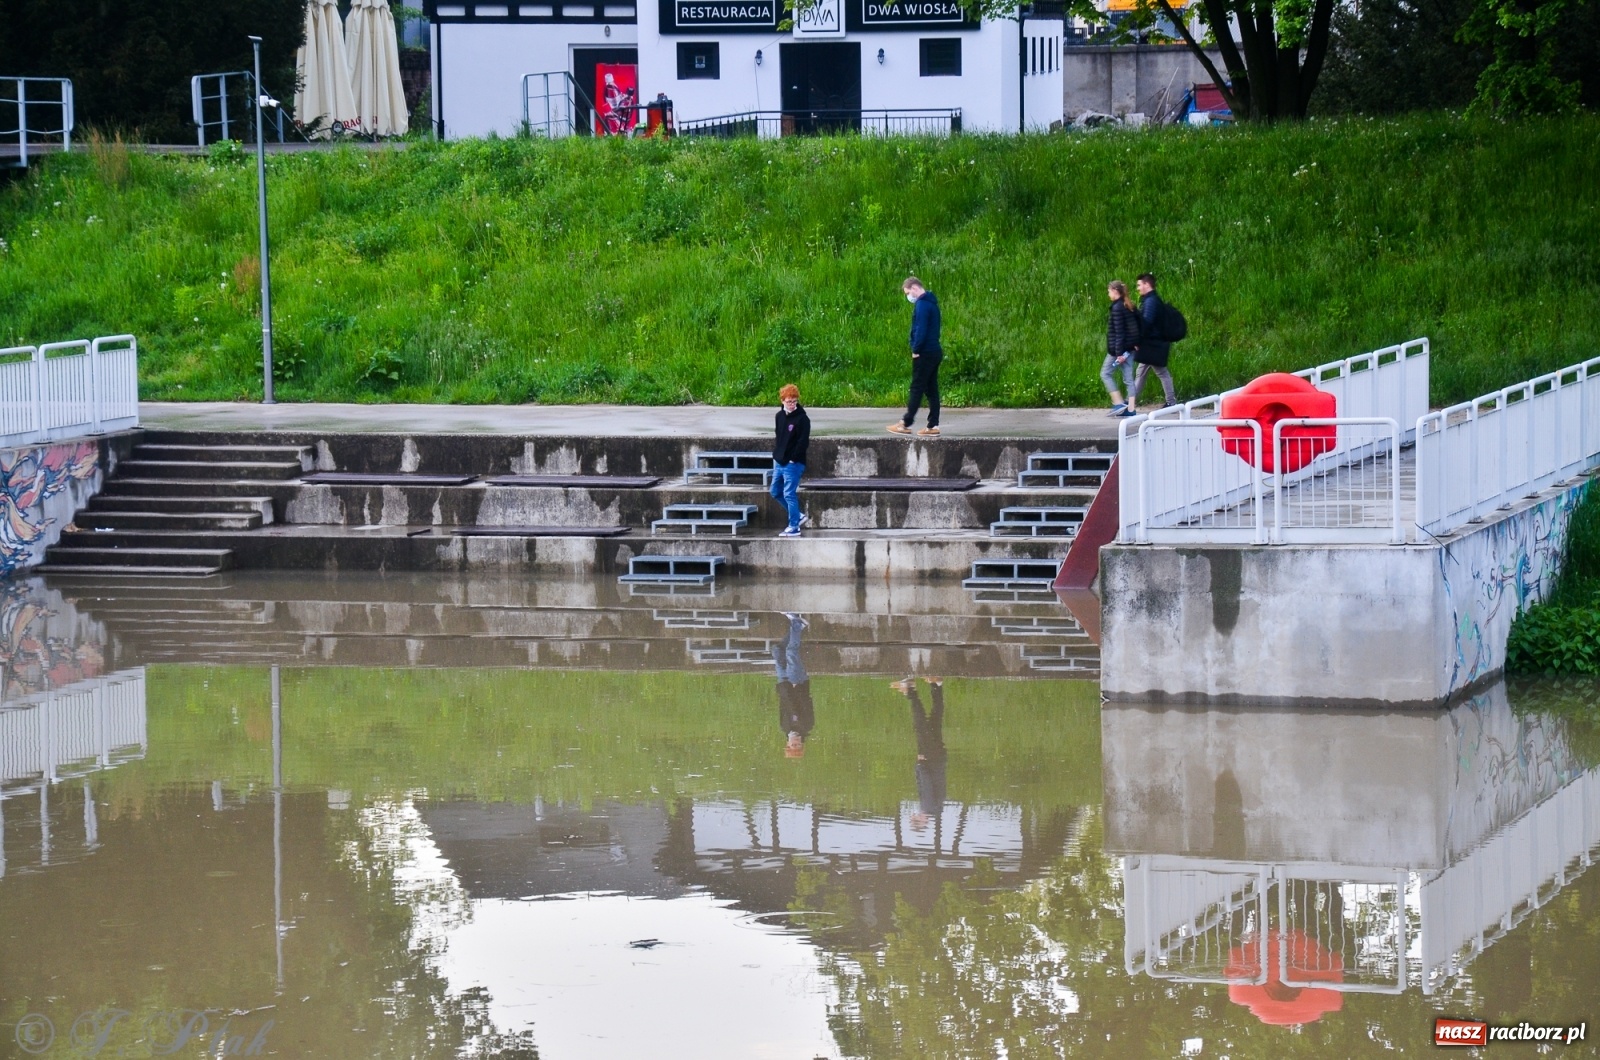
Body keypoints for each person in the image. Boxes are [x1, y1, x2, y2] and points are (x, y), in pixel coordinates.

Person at [890, 675, 946, 834]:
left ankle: (937, 685)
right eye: (916, 819)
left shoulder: (937, 807)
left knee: (935, 721)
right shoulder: (927, 806)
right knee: (920, 725)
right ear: (922, 820)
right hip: (930, 758)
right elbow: (926, 784)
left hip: (939, 758)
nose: (915, 815)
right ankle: (910, 690)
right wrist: (920, 765)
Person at [888, 276, 943, 437]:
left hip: (924, 352)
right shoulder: (933, 304)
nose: (908, 297)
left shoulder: (922, 305)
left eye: (907, 292)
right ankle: (933, 426)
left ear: (914, 288)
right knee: (932, 390)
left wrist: (916, 349)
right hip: (935, 351)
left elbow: (920, 329)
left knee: (917, 388)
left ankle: (905, 423)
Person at [1131, 272, 1177, 411]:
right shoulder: (1151, 300)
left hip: (1153, 344)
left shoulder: (1151, 301)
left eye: (1139, 285)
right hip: (1153, 343)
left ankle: (1171, 402)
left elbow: (1147, 323)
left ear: (1146, 284)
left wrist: (1137, 340)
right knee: (1142, 371)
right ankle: (1130, 403)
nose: (1138, 288)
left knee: (1161, 372)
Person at [771, 383, 811, 538]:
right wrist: (777, 455)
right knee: (775, 491)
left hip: (793, 463)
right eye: (789, 401)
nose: (792, 404)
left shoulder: (802, 419)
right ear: (782, 401)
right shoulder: (779, 416)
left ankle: (794, 526)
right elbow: (778, 437)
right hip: (779, 461)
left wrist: (793, 459)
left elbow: (803, 442)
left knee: (789, 493)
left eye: (794, 401)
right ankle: (798, 515)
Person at [774, 613, 813, 758]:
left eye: (792, 745)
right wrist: (799, 687)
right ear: (801, 744)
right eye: (797, 745)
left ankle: (799, 627)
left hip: (784, 684)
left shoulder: (784, 727)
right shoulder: (806, 725)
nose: (795, 742)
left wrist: (780, 689)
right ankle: (796, 623)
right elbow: (806, 703)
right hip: (798, 683)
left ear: (788, 744)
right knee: (791, 652)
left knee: (778, 651)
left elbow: (783, 705)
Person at [1102, 280, 1140, 417]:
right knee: (1128, 379)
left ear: (1115, 291)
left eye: (1109, 291)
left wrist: (1118, 354)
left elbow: (1119, 332)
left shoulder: (1117, 308)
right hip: (1130, 349)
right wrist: (1136, 343)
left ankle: (1118, 403)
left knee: (1105, 373)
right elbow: (1137, 324)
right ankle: (1131, 409)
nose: (1108, 294)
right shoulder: (1129, 305)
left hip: (1118, 350)